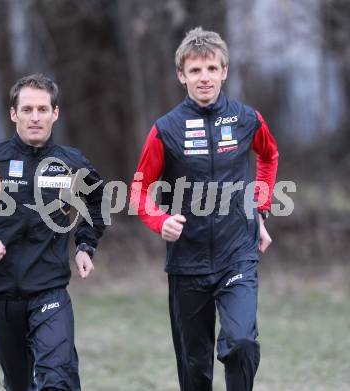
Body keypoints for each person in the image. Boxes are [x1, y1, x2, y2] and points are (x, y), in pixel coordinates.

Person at [130, 27, 278, 391]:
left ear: (224, 71)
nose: (205, 77)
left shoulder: (246, 119)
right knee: (195, 371)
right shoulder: (165, 129)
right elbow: (138, 190)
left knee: (241, 343)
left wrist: (260, 207)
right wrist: (159, 220)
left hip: (237, 255)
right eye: (195, 70)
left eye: (212, 68)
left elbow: (269, 156)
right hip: (188, 263)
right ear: (181, 75)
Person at [0, 73, 106, 391]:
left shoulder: (70, 162)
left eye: (42, 109)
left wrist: (85, 244)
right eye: (27, 110)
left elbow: (99, 202)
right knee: (20, 384)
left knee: (58, 379)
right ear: (13, 113)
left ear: (55, 113)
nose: (35, 117)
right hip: (0, 294)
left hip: (50, 290)